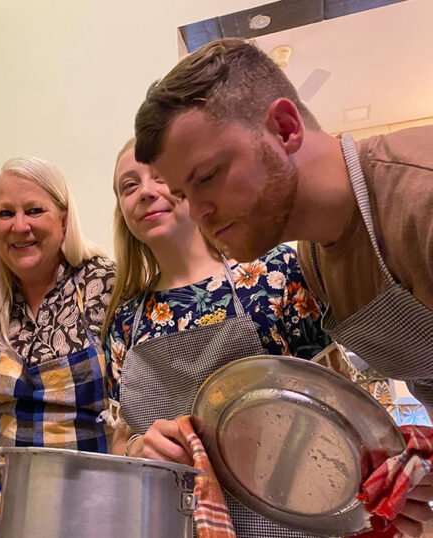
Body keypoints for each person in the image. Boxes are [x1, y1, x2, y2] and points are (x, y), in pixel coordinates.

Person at [132, 37, 433, 418]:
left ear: (285, 128)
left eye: (208, 176)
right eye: (183, 194)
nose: (196, 213)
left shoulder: (421, 200)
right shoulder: (315, 257)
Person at [103, 138, 330, 537]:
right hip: (172, 524)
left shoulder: (273, 274)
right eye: (129, 185)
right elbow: (119, 438)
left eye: (159, 177)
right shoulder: (125, 320)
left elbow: (335, 398)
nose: (146, 192)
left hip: (291, 521)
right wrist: (140, 449)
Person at [0, 157, 115, 538]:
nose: (20, 226)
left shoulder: (106, 285)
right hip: (4, 508)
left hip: (93, 511)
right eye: (6, 213)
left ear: (64, 219)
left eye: (34, 210)